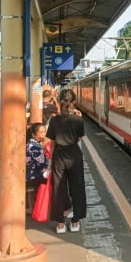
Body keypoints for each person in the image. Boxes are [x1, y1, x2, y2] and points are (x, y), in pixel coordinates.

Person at [46, 89, 85, 234]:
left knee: (58, 188)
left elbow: (53, 141)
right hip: (74, 154)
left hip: (59, 155)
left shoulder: (54, 120)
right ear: (74, 102)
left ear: (59, 101)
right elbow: (80, 138)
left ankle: (60, 224)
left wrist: (50, 161)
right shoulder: (78, 119)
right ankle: (75, 222)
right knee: (78, 187)